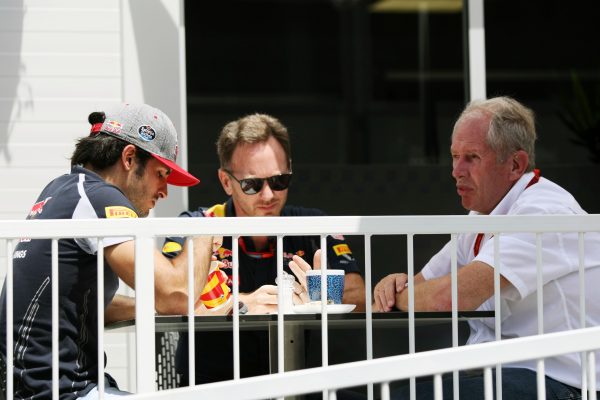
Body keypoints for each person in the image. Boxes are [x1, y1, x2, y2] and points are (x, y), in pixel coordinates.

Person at [374, 96, 600, 399]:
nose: (456, 170)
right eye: (454, 156)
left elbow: (444, 298)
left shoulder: (543, 213)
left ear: (515, 165)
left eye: (472, 157)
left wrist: (400, 295)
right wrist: (395, 288)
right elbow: (422, 288)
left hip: (564, 383)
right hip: (513, 375)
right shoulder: (484, 215)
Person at [0, 103, 218, 399]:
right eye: (161, 174)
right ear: (129, 158)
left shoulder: (63, 190)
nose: (165, 191)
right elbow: (175, 296)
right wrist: (204, 229)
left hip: (39, 387)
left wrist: (156, 305)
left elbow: (73, 303)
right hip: (62, 391)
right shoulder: (99, 196)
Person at [162, 113, 366, 385]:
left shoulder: (312, 225)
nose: (269, 195)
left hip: (295, 383)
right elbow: (170, 303)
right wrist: (243, 305)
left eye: (279, 181)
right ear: (225, 182)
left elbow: (360, 297)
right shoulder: (198, 225)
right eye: (252, 184)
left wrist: (317, 296)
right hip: (214, 387)